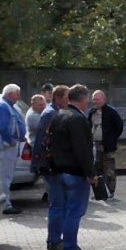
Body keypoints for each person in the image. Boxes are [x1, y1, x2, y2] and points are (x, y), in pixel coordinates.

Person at [47, 85, 99, 250]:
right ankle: (70, 248)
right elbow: (82, 150)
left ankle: (59, 242)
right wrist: (91, 173)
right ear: (83, 99)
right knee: (74, 212)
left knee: (61, 208)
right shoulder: (78, 119)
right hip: (74, 172)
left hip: (59, 170)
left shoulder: (58, 115)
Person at [0, 84, 27, 215]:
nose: (18, 97)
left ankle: (5, 203)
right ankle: (5, 205)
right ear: (11, 94)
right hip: (5, 147)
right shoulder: (2, 106)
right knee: (4, 177)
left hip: (9, 147)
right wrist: (10, 140)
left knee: (6, 177)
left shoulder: (8, 106)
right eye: (17, 93)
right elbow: (2, 127)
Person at [33, 84, 69, 213]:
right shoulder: (50, 113)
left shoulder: (56, 112)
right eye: (66, 97)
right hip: (50, 163)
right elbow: (42, 138)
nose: (69, 100)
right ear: (58, 98)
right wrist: (37, 161)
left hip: (55, 162)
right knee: (56, 200)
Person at [88, 90, 124, 201]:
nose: (96, 101)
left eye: (98, 99)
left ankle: (110, 192)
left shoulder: (111, 112)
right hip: (95, 145)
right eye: (94, 99)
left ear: (104, 99)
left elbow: (119, 126)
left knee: (109, 170)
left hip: (108, 146)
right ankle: (99, 192)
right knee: (97, 169)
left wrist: (111, 139)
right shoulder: (92, 112)